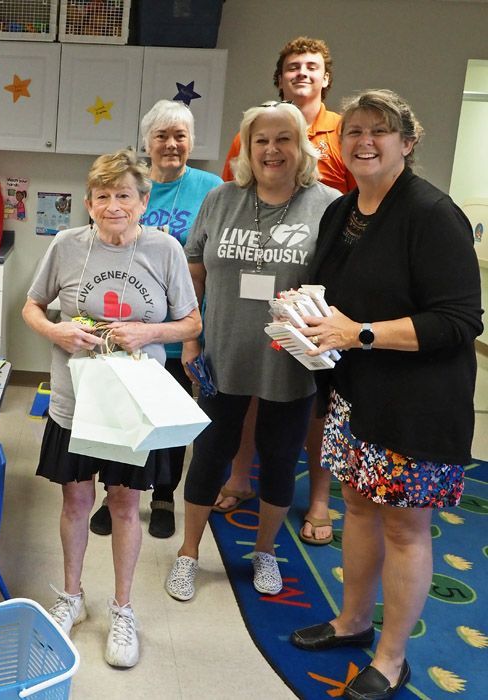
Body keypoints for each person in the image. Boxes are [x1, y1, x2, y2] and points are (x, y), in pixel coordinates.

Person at [291, 90, 482, 700]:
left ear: (407, 141)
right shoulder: (341, 211)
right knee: (359, 506)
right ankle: (351, 622)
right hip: (358, 394)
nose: (364, 140)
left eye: (380, 130)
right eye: (353, 131)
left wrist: (359, 332)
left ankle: (392, 656)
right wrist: (305, 321)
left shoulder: (431, 213)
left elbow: (459, 321)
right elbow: (335, 294)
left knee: (405, 527)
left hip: (418, 404)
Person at [23, 149, 201, 668]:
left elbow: (191, 323)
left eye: (124, 195)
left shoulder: (165, 249)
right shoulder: (65, 244)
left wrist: (149, 331)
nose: (113, 206)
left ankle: (124, 609)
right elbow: (31, 307)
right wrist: (56, 329)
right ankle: (72, 598)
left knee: (124, 505)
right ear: (88, 201)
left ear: (144, 201)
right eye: (103, 196)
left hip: (133, 407)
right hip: (73, 403)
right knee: (75, 503)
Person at [165, 102, 339, 602]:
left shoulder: (326, 204)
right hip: (222, 355)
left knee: (281, 460)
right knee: (209, 456)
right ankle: (188, 553)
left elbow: (340, 285)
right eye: (261, 139)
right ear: (247, 147)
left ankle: (265, 551)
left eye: (284, 139)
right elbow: (192, 273)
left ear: (300, 146)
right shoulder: (221, 200)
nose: (272, 149)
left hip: (290, 361)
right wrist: (191, 338)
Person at [216, 37, 355, 548]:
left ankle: (319, 497)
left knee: (313, 404)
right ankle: (238, 477)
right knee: (253, 392)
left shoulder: (343, 132)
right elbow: (238, 189)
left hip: (315, 293)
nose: (301, 73)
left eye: (312, 66)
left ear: (326, 77)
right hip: (255, 290)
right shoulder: (249, 132)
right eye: (292, 66)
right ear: (279, 77)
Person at [88, 100, 221, 539]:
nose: (171, 144)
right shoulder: (131, 185)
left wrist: (190, 339)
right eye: (161, 135)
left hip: (179, 328)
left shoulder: (210, 188)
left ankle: (163, 494)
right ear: (146, 142)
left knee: (168, 418)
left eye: (180, 135)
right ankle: (117, 494)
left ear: (192, 141)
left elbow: (210, 264)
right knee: (123, 418)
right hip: (123, 331)